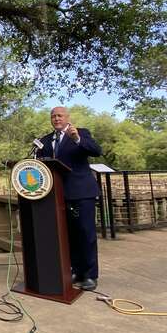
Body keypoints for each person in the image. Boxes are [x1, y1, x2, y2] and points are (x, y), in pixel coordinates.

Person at [37, 106, 102, 291]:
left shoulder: (81, 133)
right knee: (67, 235)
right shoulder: (45, 140)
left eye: (59, 115)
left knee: (85, 233)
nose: (56, 119)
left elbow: (96, 150)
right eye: (53, 116)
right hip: (56, 195)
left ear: (67, 118)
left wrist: (77, 139)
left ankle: (89, 275)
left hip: (81, 192)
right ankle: (73, 269)